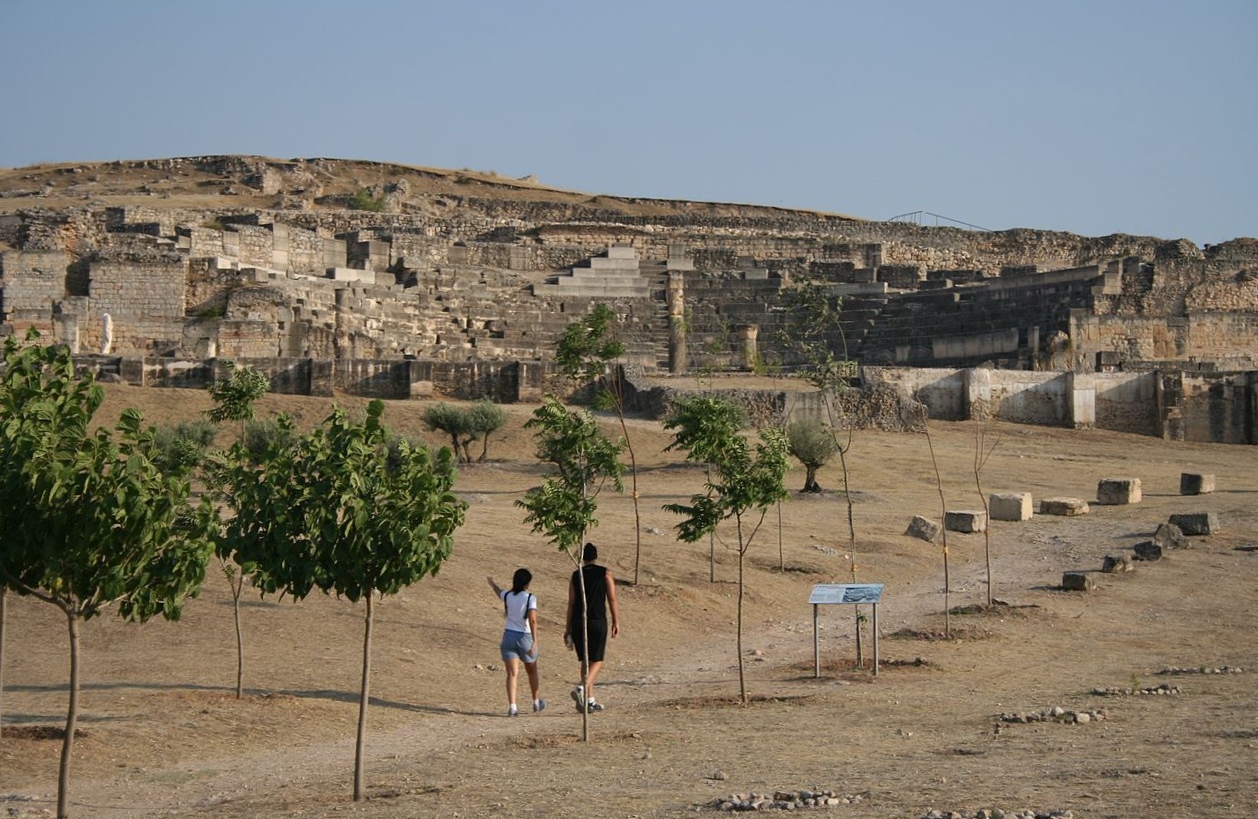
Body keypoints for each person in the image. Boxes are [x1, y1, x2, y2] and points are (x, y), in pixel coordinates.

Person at [565, 543, 620, 713]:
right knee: (598, 660)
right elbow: (612, 598)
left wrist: (568, 628)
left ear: (582, 558)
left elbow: (571, 603)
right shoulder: (605, 573)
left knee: (586, 661)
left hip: (578, 622)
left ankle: (590, 700)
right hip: (596, 621)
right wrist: (615, 621)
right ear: (596, 557)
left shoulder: (576, 575)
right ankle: (582, 687)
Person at [488, 569, 546, 716]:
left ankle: (513, 706)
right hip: (525, 637)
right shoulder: (530, 598)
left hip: (509, 636)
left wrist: (492, 583)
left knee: (512, 674)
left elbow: (498, 591)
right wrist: (535, 641)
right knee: (532, 670)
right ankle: (536, 701)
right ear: (527, 583)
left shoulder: (508, 596)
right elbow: (532, 620)